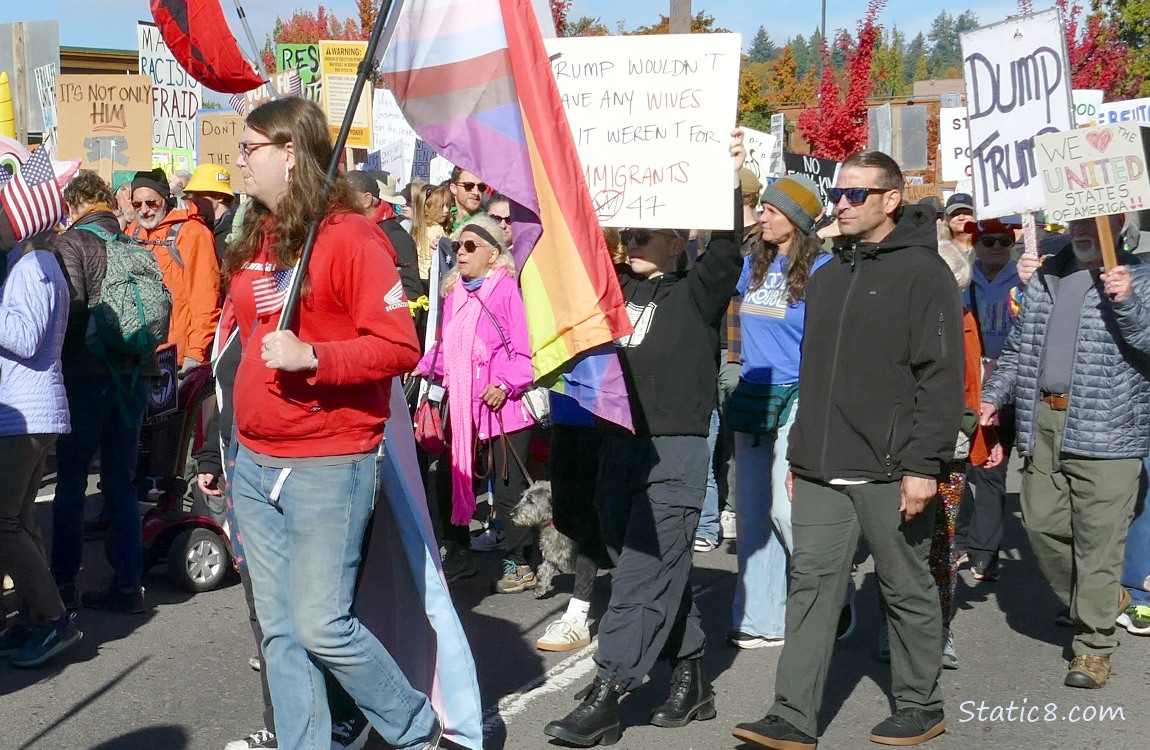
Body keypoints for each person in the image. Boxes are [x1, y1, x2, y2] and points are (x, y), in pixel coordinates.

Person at [224, 97, 441, 750]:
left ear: (290, 154)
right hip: (254, 460)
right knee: (281, 632)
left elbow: (402, 345)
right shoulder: (255, 234)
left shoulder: (350, 236)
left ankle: (415, 729)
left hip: (326, 463)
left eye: (248, 148)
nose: (237, 160)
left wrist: (313, 356)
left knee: (320, 625)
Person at [734, 151, 963, 749]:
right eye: (839, 192)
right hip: (819, 465)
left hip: (891, 468)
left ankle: (920, 704)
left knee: (904, 584)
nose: (841, 202)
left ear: (892, 199)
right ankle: (791, 715)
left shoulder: (924, 272)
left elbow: (940, 376)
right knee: (810, 584)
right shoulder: (829, 274)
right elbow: (814, 373)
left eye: (856, 194)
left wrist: (923, 466)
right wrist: (803, 452)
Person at [543, 131, 745, 747]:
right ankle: (691, 676)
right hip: (616, 444)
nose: (628, 244)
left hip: (675, 447)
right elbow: (572, 252)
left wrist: (730, 179)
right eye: (625, 235)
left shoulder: (697, 292)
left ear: (677, 242)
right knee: (643, 563)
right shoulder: (618, 291)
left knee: (641, 572)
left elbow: (728, 252)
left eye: (641, 237)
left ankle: (608, 692)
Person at [981, 212, 1150, 689]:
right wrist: (995, 394)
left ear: (1120, 226)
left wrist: (1131, 303)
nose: (1082, 229)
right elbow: (1019, 351)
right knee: (1042, 526)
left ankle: (1093, 647)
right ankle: (1103, 599)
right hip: (1046, 423)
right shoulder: (1047, 277)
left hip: (1109, 429)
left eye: (1095, 221)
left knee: (1099, 541)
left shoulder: (1140, 277)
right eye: (1075, 220)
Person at [727, 175, 831, 650]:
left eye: (771, 210)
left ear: (798, 219)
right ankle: (761, 619)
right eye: (761, 208)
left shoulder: (825, 271)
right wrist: (732, 179)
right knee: (750, 512)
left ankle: (829, 596)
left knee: (787, 511)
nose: (762, 216)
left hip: (799, 398)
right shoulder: (751, 265)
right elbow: (717, 250)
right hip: (752, 397)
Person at [50, 170, 157, 614]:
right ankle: (129, 586)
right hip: (135, 376)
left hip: (88, 375)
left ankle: (61, 585)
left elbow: (72, 309)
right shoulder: (133, 242)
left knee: (72, 480)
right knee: (121, 481)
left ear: (74, 205)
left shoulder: (70, 243)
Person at [413, 214, 538, 594]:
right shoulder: (454, 293)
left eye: (470, 246)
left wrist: (503, 384)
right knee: (453, 479)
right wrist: (417, 366)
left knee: (507, 489)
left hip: (503, 409)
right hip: (462, 405)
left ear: (493, 254)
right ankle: (459, 551)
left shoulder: (506, 290)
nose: (460, 253)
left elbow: (525, 355)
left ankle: (519, 561)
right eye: (456, 247)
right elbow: (447, 347)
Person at [0, 195, 83, 668]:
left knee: (4, 523)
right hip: (36, 410)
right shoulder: (37, 262)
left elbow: (27, 338)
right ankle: (37, 618)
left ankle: (52, 620)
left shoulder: (34, 265)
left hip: (26, 415)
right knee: (21, 521)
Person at [956, 218, 1020, 581]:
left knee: (993, 471)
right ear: (976, 244)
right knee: (960, 466)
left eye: (1002, 241)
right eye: (987, 241)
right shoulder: (963, 278)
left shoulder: (1026, 281)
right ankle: (960, 538)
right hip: (969, 386)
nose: (995, 247)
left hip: (1007, 390)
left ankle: (986, 551)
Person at [127, 167, 221, 375]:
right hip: (136, 353)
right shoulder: (132, 230)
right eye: (137, 204)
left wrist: (195, 354)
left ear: (166, 199)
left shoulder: (192, 233)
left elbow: (205, 297)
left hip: (174, 357)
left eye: (151, 202)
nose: (144, 210)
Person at [183, 163, 239, 261]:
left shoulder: (238, 232)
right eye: (193, 195)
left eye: (199, 195)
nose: (194, 200)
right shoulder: (195, 226)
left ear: (220, 197)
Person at [448, 167, 485, 232]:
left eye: (481, 187)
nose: (476, 192)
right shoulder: (442, 219)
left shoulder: (487, 224)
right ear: (454, 188)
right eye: (469, 186)